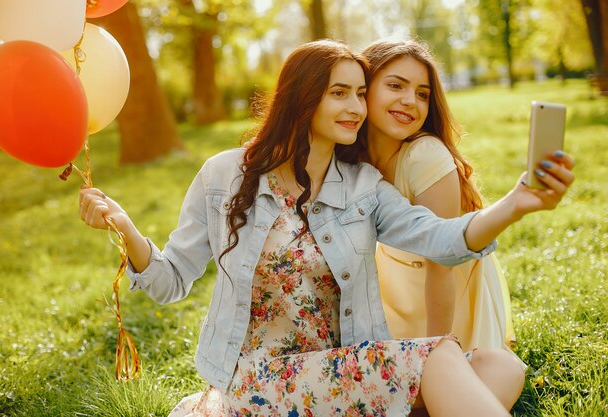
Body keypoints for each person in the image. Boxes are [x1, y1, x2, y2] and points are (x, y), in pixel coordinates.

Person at [79, 40, 574, 416]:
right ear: (303, 98)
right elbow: (169, 282)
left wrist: (517, 203)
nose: (357, 107)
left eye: (361, 93)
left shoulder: (362, 187)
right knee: (443, 357)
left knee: (499, 365)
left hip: (339, 375)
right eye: (340, 93)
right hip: (256, 381)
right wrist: (125, 227)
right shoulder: (223, 176)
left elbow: (442, 239)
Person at [355, 38, 517, 351]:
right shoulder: (350, 159)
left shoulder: (424, 155)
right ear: (365, 88)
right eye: (395, 86)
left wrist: (434, 352)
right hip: (393, 287)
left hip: (445, 298)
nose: (410, 101)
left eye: (422, 94)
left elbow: (442, 264)